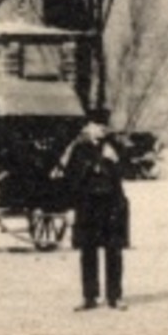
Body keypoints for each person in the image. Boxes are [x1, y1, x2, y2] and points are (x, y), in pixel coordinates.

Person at [56, 107, 129, 311]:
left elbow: (129, 171)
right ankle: (89, 297)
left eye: (104, 126)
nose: (101, 130)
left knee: (113, 252)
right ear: (88, 127)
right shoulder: (79, 149)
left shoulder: (114, 147)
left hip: (111, 205)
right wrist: (69, 208)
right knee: (88, 252)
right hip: (87, 206)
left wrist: (115, 159)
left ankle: (115, 297)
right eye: (97, 126)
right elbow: (69, 181)